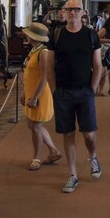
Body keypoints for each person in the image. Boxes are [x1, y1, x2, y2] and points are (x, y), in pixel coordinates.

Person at [45, 0, 103, 193]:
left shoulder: (91, 35)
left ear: (83, 12)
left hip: (84, 91)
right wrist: (54, 90)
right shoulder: (57, 34)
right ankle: (73, 175)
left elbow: (98, 65)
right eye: (69, 9)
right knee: (68, 134)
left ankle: (93, 156)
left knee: (89, 133)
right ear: (64, 11)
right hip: (63, 92)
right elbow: (49, 65)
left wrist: (93, 88)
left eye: (76, 9)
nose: (72, 13)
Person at [20, 22, 62, 171]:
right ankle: (53, 150)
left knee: (36, 126)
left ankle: (36, 158)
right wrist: (26, 93)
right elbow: (30, 74)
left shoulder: (43, 52)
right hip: (32, 92)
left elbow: (45, 77)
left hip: (40, 94)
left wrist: (35, 97)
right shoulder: (33, 51)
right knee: (32, 124)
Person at [97, 16, 110, 96]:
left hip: (107, 52)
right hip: (102, 53)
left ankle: (101, 90)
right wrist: (107, 40)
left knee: (105, 72)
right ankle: (94, 88)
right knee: (102, 71)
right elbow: (96, 38)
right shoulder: (104, 30)